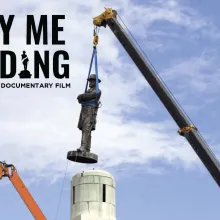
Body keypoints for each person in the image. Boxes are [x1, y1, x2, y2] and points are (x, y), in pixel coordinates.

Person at [77, 74, 101, 153]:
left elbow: (87, 97)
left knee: (87, 129)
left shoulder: (97, 91)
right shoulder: (87, 91)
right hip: (84, 111)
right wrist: (82, 97)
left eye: (91, 81)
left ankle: (84, 146)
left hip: (90, 112)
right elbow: (80, 99)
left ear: (95, 82)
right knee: (85, 129)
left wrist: (82, 96)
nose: (90, 82)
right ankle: (87, 148)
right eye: (89, 81)